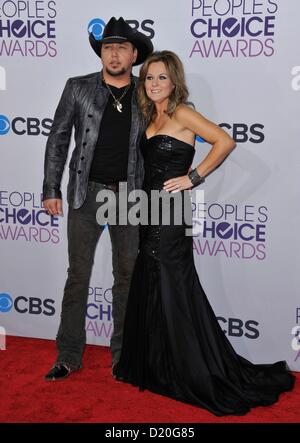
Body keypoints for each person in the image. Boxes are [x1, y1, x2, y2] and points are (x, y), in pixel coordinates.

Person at [114, 50, 295, 415]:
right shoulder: (152, 113)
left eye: (161, 77)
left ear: (174, 80)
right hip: (150, 210)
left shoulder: (182, 112)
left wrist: (194, 177)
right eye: (149, 77)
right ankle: (158, 366)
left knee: (175, 286)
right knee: (152, 279)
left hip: (173, 213)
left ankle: (191, 369)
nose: (154, 84)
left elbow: (224, 141)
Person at [42, 17, 153, 381]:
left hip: (129, 196)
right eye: (108, 47)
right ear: (101, 53)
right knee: (78, 276)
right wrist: (50, 188)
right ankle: (68, 355)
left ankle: (123, 358)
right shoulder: (78, 87)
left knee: (127, 278)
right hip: (85, 195)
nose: (115, 54)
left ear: (134, 54)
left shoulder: (146, 92)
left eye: (122, 47)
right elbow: (58, 139)